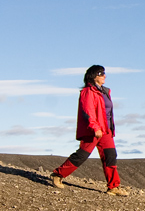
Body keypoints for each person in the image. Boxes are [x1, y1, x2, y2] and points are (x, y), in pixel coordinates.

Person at [51, 65, 128, 195]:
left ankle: (113, 187)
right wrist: (95, 127)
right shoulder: (88, 92)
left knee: (111, 156)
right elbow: (88, 111)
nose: (104, 76)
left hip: (106, 130)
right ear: (94, 76)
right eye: (101, 73)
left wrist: (108, 128)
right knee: (82, 155)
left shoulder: (105, 91)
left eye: (104, 73)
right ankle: (57, 175)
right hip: (94, 131)